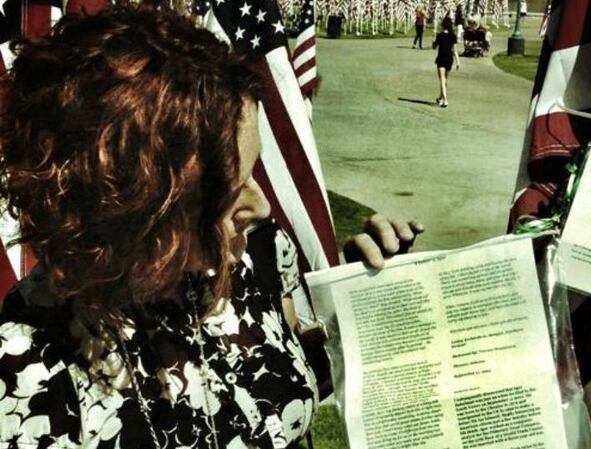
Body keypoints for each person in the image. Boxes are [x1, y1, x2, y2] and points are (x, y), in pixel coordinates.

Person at [0, 5, 422, 448]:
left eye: (254, 172)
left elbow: (290, 378)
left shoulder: (256, 255)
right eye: (228, 190)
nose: (260, 208)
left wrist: (362, 300)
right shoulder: (29, 371)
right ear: (136, 203)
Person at [433, 16, 460, 107]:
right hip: (449, 59)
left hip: (441, 58)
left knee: (442, 79)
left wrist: (434, 38)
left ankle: (445, 99)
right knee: (445, 80)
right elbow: (455, 50)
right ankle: (441, 97)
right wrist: (458, 61)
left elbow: (434, 47)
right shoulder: (453, 36)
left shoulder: (439, 35)